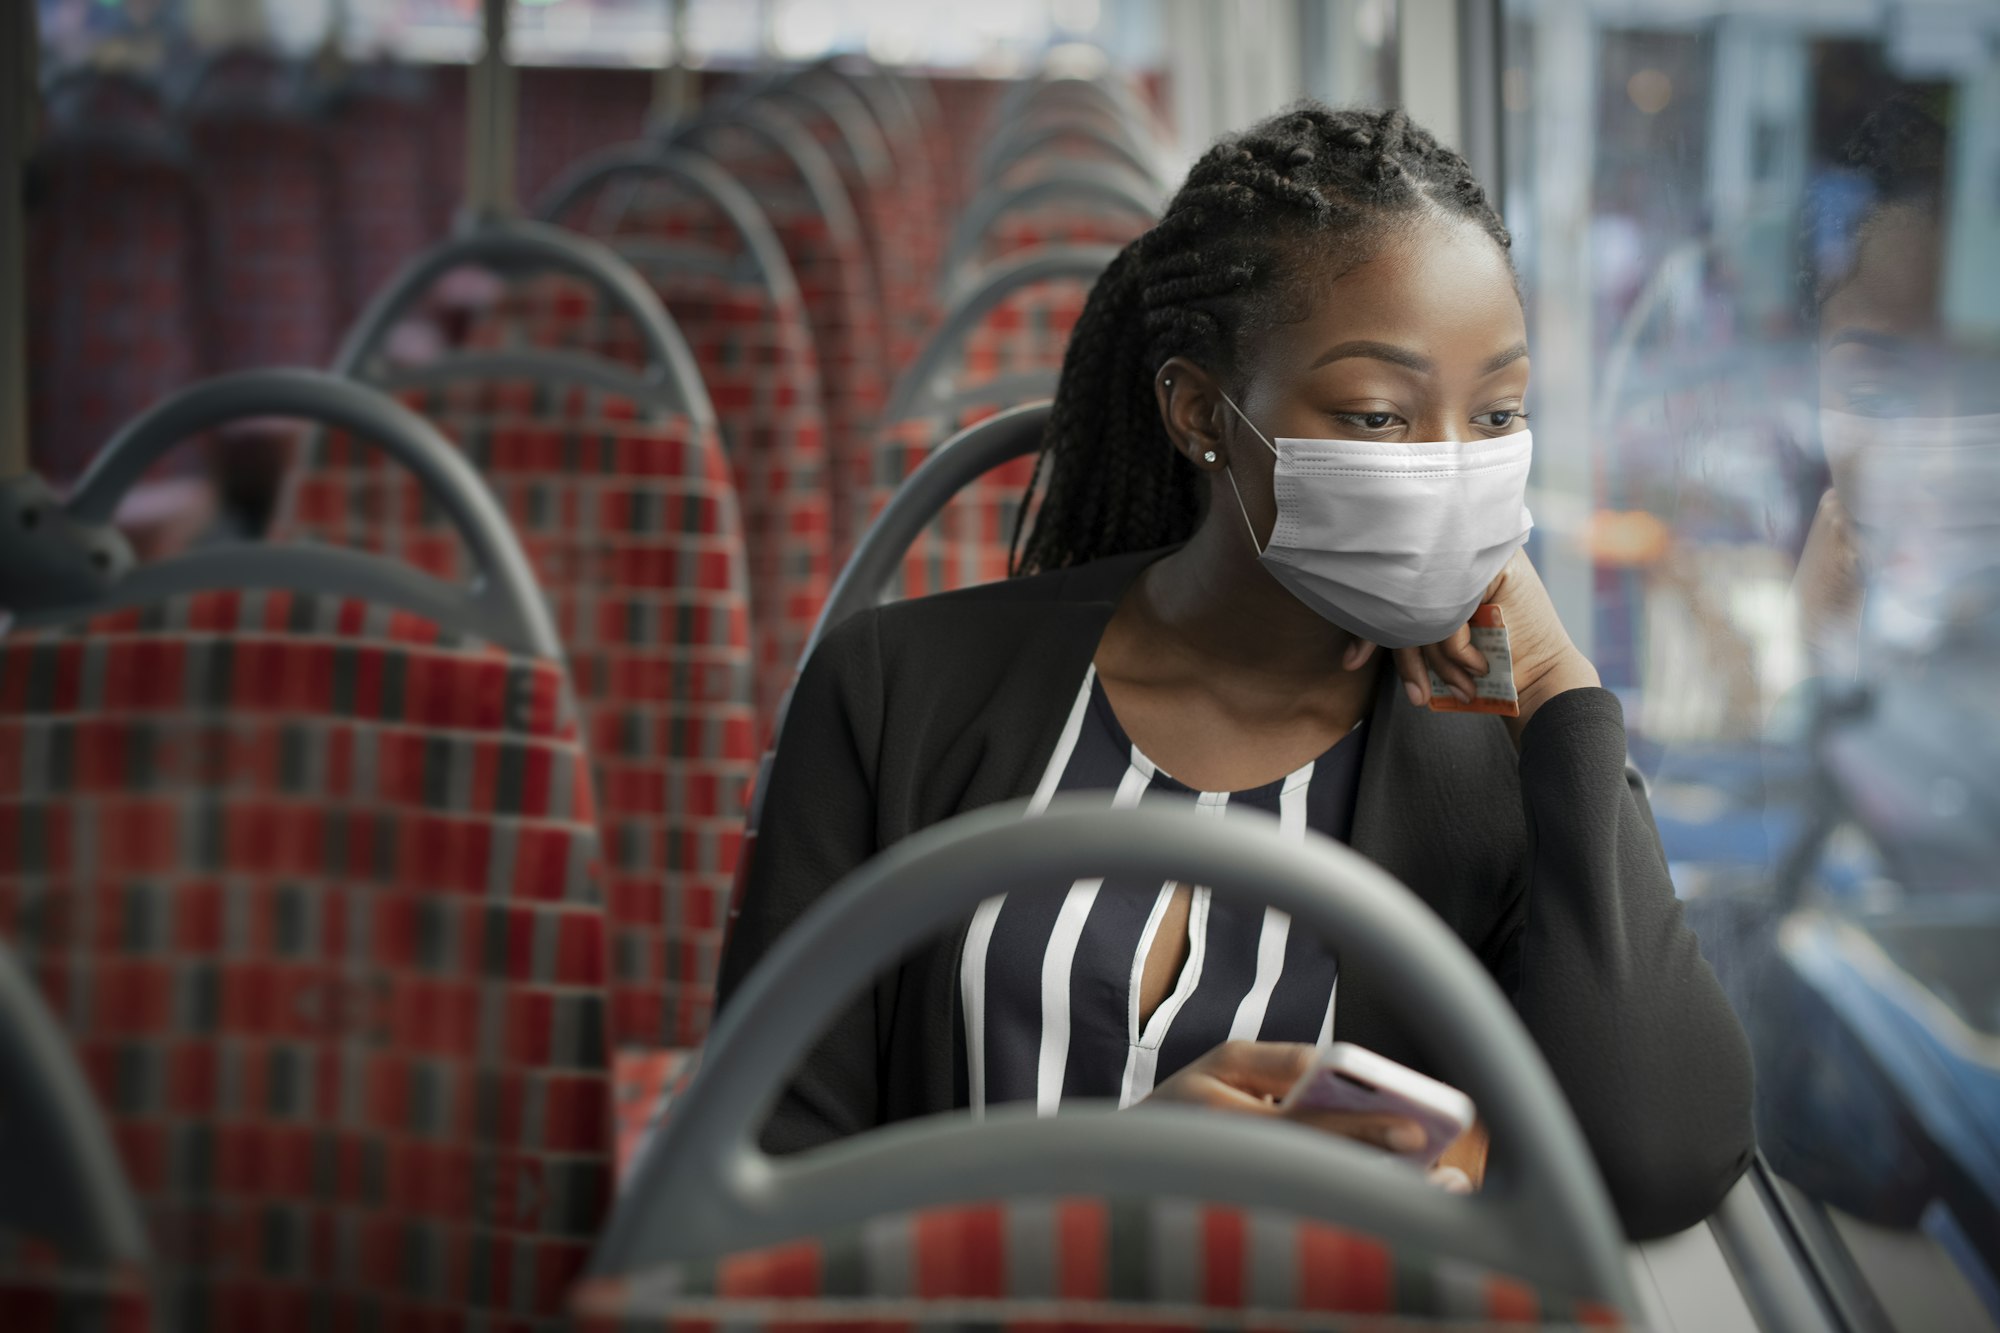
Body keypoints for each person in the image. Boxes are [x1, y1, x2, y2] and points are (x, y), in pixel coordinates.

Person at [718, 102, 1754, 1241]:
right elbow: (756, 1187)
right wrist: (1103, 1202)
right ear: (1202, 412)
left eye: (1496, 413)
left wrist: (1557, 693)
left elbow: (1657, 1162)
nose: (1454, 470)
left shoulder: (1496, 777)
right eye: (1376, 414)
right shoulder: (895, 695)